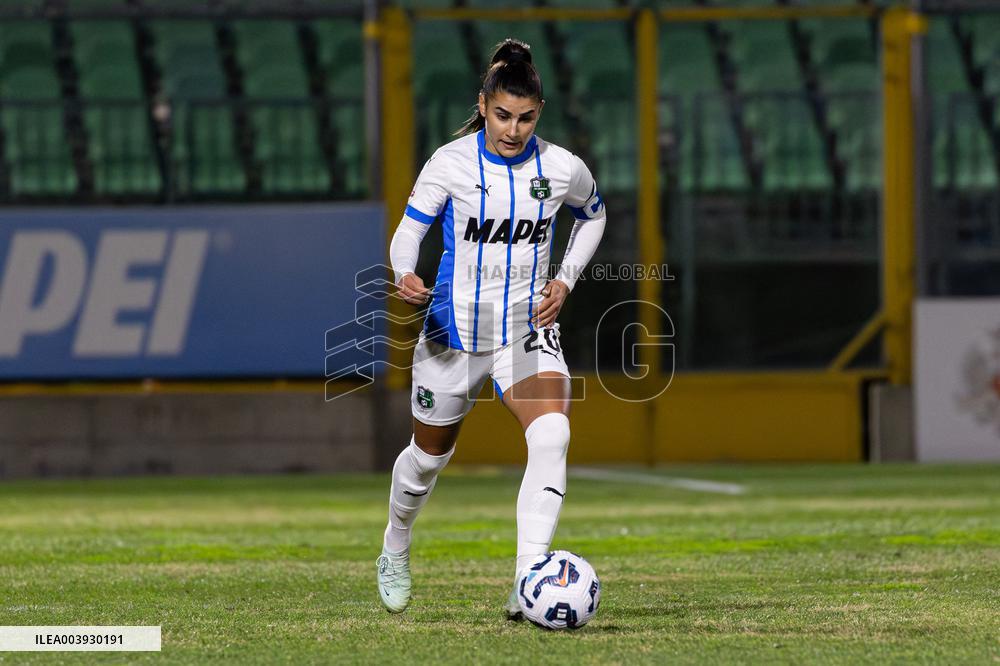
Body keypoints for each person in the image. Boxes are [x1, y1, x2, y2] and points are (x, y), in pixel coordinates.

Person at [377, 38, 606, 619]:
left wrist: (566, 281)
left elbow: (594, 214)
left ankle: (530, 576)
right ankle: (395, 546)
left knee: (552, 435)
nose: (514, 129)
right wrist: (404, 270)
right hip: (450, 338)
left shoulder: (560, 168)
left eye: (526, 118)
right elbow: (409, 232)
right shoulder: (450, 163)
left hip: (523, 334)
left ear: (540, 113)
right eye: (503, 115)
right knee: (427, 460)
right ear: (483, 106)